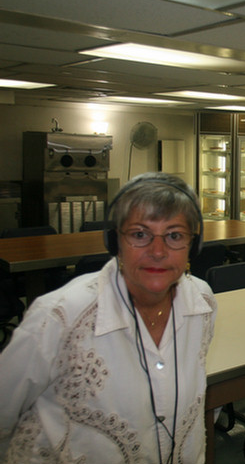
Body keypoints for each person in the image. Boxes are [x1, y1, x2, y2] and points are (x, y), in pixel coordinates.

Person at [0, 172, 217, 463]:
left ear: (194, 243)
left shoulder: (202, 303)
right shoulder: (58, 316)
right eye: (140, 234)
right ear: (115, 241)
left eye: (174, 235)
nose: (157, 251)